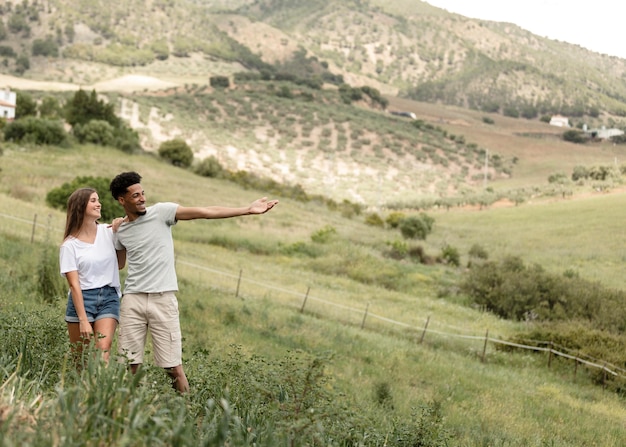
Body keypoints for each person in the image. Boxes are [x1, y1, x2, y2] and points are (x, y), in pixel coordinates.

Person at [109, 171, 278, 393]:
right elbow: (119, 264)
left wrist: (247, 209)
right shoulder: (121, 230)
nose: (142, 198)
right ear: (122, 200)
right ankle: (134, 412)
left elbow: (205, 212)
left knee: (173, 367)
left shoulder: (161, 212)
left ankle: (187, 413)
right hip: (133, 300)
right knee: (129, 364)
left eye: (143, 193)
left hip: (163, 299)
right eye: (135, 195)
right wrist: (114, 231)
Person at [59, 187, 126, 363]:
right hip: (82, 301)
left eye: (98, 200)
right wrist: (83, 320)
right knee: (79, 359)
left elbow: (119, 264)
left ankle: (99, 390)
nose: (99, 204)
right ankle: (80, 390)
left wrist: (121, 234)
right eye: (93, 200)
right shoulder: (69, 246)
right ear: (81, 207)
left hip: (109, 297)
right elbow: (74, 285)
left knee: (102, 351)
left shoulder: (108, 231)